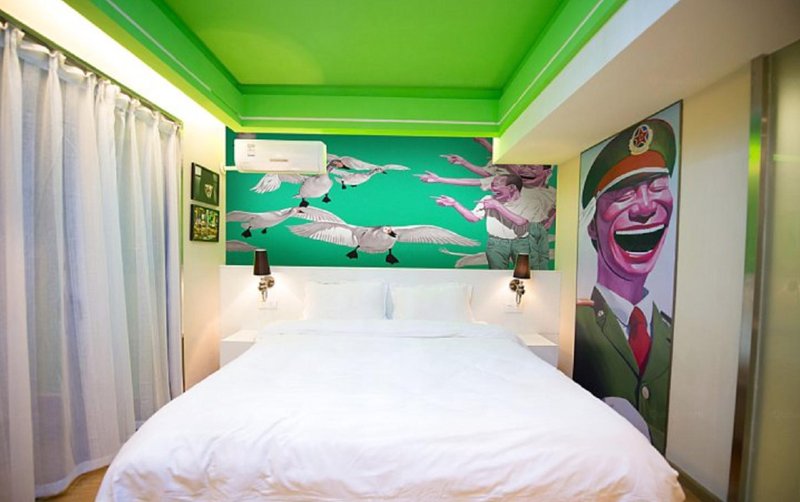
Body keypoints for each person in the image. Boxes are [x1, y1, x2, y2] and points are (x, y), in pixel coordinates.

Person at [573, 118, 677, 453]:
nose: (645, 207)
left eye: (657, 188)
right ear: (592, 226)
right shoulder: (573, 323)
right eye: (625, 193)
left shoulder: (672, 332)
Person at [435, 174, 539, 269]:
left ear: (512, 188)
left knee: (524, 272)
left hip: (521, 242)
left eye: (496, 185)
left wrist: (497, 206)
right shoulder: (488, 199)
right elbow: (473, 218)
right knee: (496, 274)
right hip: (496, 243)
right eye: (492, 185)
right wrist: (455, 204)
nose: (493, 189)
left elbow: (521, 222)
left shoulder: (530, 202)